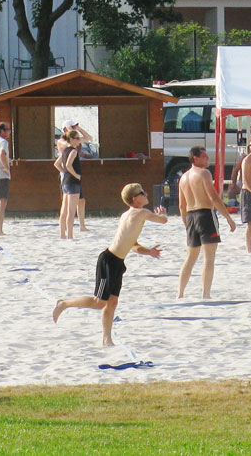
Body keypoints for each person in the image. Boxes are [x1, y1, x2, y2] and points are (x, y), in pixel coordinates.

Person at [53, 183, 166, 347]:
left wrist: (149, 252)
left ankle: (107, 339)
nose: (146, 194)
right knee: (98, 302)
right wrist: (163, 214)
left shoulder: (131, 215)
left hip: (118, 263)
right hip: (108, 260)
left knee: (112, 302)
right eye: (142, 193)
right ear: (135, 199)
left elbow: (133, 245)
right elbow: (162, 220)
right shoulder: (141, 213)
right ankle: (64, 304)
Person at [177, 146, 237, 299]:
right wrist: (228, 218)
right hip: (205, 214)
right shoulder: (204, 173)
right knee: (209, 257)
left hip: (191, 216)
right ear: (195, 158)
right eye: (205, 157)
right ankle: (206, 293)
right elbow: (214, 197)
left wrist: (186, 224)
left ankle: (180, 293)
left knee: (190, 258)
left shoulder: (183, 178)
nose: (208, 159)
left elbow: (181, 206)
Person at [56, 120, 91, 232]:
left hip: (72, 173)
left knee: (81, 200)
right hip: (68, 175)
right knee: (67, 206)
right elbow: (70, 143)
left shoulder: (74, 143)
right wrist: (66, 172)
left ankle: (82, 225)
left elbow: (88, 137)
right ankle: (66, 229)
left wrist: (79, 128)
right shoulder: (62, 141)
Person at [54, 131, 83, 240]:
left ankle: (62, 234)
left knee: (64, 210)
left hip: (65, 181)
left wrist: (64, 172)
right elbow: (68, 165)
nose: (78, 140)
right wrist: (76, 175)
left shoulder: (64, 150)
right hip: (73, 182)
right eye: (76, 138)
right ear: (71, 139)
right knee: (71, 211)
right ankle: (70, 235)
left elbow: (57, 164)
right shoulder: (73, 151)